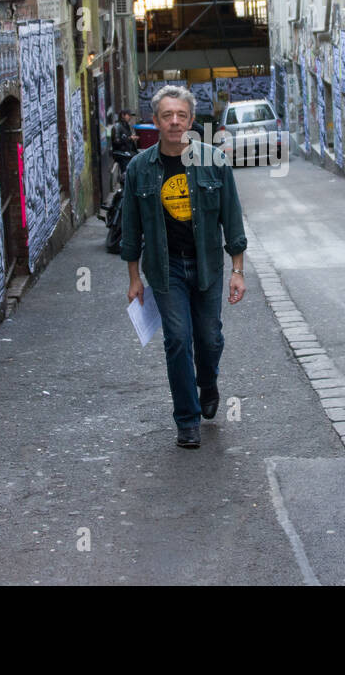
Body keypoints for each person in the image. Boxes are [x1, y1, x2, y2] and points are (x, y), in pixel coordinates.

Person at [119, 85, 247, 449]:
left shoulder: (214, 162)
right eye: (166, 116)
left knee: (210, 338)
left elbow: (232, 219)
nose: (174, 122)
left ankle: (208, 382)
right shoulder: (139, 169)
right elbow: (131, 229)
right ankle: (187, 420)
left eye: (181, 115)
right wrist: (134, 279)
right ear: (155, 121)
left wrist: (237, 269)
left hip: (207, 266)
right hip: (166, 269)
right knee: (177, 340)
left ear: (191, 120)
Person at [110, 109, 138, 179]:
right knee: (126, 177)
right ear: (123, 115)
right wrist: (129, 138)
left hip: (128, 154)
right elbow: (116, 141)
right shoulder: (117, 126)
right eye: (128, 115)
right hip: (122, 155)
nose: (130, 117)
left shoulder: (126, 126)